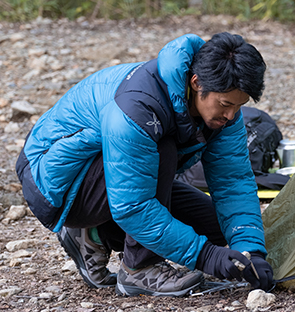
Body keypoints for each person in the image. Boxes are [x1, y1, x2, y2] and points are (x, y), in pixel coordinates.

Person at [16, 32, 273, 297]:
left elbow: (233, 182)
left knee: (218, 229)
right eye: (225, 105)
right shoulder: (138, 106)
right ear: (197, 83)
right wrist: (206, 257)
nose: (231, 115)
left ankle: (93, 236)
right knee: (164, 149)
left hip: (120, 176)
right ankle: (139, 269)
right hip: (57, 183)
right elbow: (132, 206)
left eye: (238, 106)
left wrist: (250, 251)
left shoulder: (224, 114)